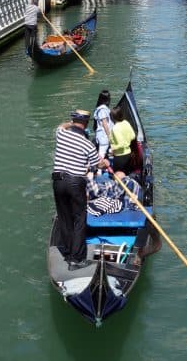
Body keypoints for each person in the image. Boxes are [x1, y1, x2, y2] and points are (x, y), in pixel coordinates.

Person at [52, 109, 109, 266]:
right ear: (86, 123)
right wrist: (105, 163)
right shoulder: (88, 144)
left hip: (58, 181)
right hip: (75, 183)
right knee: (79, 219)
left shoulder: (61, 134)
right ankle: (77, 259)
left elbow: (61, 126)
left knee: (64, 217)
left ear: (73, 121)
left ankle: (68, 252)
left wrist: (70, 123)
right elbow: (97, 164)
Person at [109, 105, 136, 173]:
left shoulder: (115, 128)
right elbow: (133, 136)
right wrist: (126, 140)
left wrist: (112, 149)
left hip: (120, 156)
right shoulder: (126, 122)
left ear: (112, 118)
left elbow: (121, 144)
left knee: (118, 175)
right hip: (128, 153)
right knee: (126, 174)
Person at [93, 89, 113, 159]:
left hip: (103, 135)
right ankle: (98, 166)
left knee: (104, 154)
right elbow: (105, 124)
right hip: (104, 136)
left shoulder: (101, 109)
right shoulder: (103, 109)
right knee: (101, 155)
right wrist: (109, 136)